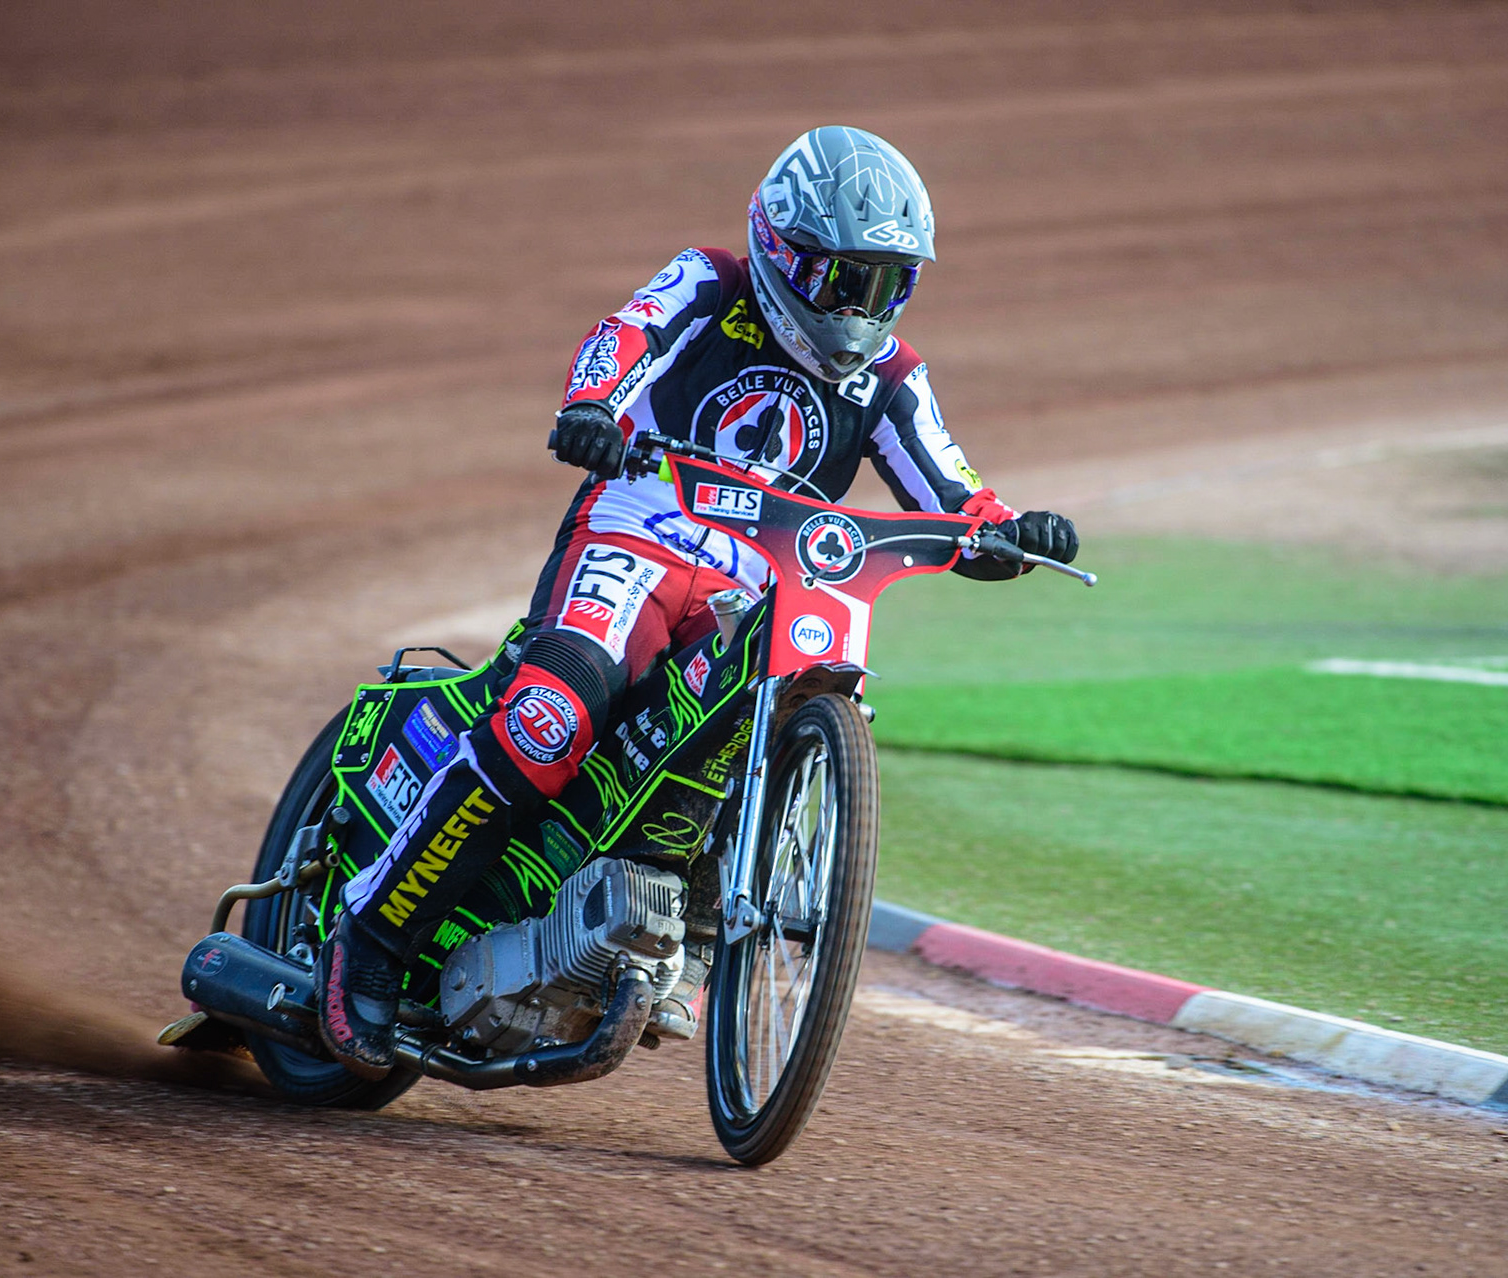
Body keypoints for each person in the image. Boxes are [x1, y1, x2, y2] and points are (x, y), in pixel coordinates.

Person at [317, 125, 1079, 1078]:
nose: (860, 307)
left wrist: (1007, 533)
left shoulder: (892, 376)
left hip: (753, 589)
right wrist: (592, 407)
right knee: (553, 718)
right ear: (781, 250)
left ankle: (687, 932)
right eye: (844, 278)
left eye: (886, 284)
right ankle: (372, 937)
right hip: (637, 534)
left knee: (754, 723)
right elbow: (625, 335)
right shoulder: (712, 283)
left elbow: (952, 487)